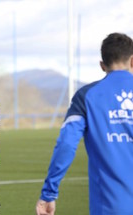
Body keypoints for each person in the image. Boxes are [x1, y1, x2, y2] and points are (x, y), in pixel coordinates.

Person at [36, 32, 133, 215]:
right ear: (132, 61)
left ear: (102, 65)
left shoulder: (87, 96)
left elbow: (66, 144)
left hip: (111, 207)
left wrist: (49, 193)